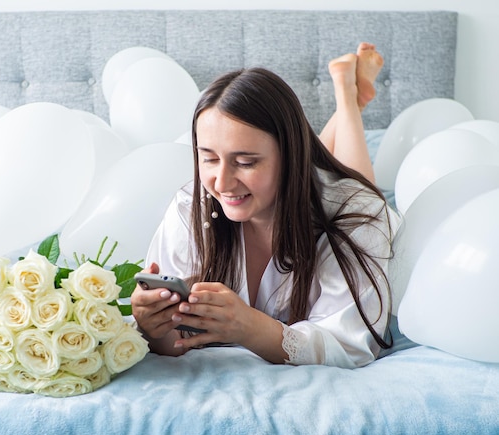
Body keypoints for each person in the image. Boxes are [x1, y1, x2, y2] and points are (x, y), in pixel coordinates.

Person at [130, 43, 401, 368]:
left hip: (334, 200)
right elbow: (174, 341)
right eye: (209, 158)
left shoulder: (357, 215)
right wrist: (153, 327)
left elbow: (352, 345)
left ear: (290, 158)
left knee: (355, 182)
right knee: (326, 166)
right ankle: (348, 98)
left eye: (245, 162)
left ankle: (348, 100)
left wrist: (250, 327)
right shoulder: (191, 206)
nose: (222, 182)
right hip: (299, 173)